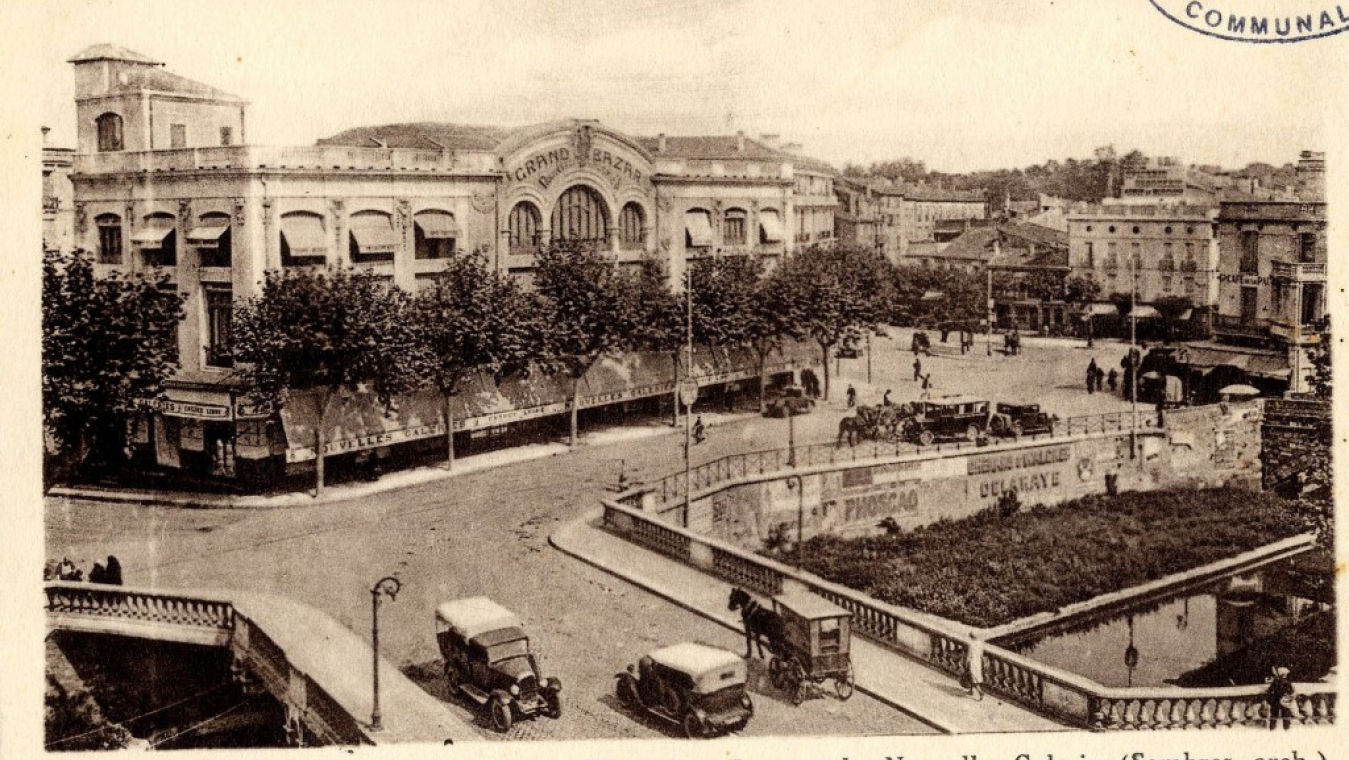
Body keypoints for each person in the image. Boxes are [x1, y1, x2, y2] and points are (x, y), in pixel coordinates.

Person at [1265, 665, 1295, 730]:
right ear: (1284, 675)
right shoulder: (1287, 682)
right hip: (1284, 701)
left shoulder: (1275, 682)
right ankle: (1286, 729)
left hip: (1275, 701)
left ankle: (1272, 728)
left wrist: (1270, 700)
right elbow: (1291, 691)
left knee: (1274, 716)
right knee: (1286, 716)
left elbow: (1270, 691)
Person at [965, 631, 985, 701]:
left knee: (974, 678)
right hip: (978, 662)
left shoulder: (971, 644)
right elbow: (982, 655)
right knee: (974, 676)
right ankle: (971, 691)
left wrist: (966, 664)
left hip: (972, 662)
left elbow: (968, 656)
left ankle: (980, 693)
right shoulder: (980, 644)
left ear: (971, 637)